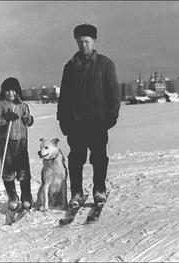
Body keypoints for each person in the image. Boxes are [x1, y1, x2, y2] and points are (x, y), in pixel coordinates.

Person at [57, 23, 121, 208]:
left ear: (93, 41)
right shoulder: (70, 66)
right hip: (76, 122)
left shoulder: (105, 64)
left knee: (99, 158)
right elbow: (64, 96)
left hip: (98, 121)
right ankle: (76, 193)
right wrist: (63, 119)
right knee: (76, 160)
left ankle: (99, 191)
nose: (83, 45)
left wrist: (111, 116)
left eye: (86, 41)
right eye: (79, 42)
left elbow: (114, 94)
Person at [0, 77, 34, 211]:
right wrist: (5, 118)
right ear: (3, 92)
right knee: (8, 170)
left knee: (23, 171)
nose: (10, 93)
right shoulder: (0, 105)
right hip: (7, 143)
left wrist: (28, 119)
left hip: (21, 143)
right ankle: (13, 197)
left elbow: (29, 120)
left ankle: (26, 196)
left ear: (17, 91)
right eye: (7, 90)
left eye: (13, 90)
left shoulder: (23, 105)